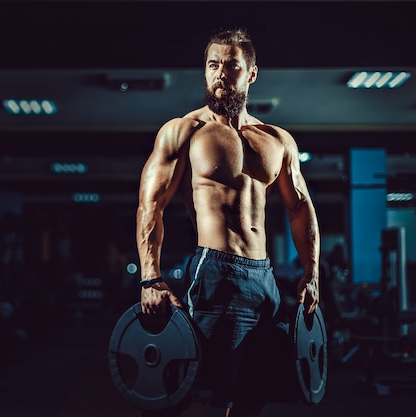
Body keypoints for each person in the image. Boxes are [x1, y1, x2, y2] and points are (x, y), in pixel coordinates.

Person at [135, 28, 320, 417]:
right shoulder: (184, 131)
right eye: (212, 64)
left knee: (254, 394)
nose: (220, 73)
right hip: (216, 271)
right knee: (202, 394)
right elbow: (151, 205)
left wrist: (312, 272)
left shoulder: (278, 140)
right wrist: (150, 278)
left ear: (251, 73)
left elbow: (300, 206)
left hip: (264, 279)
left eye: (231, 65)